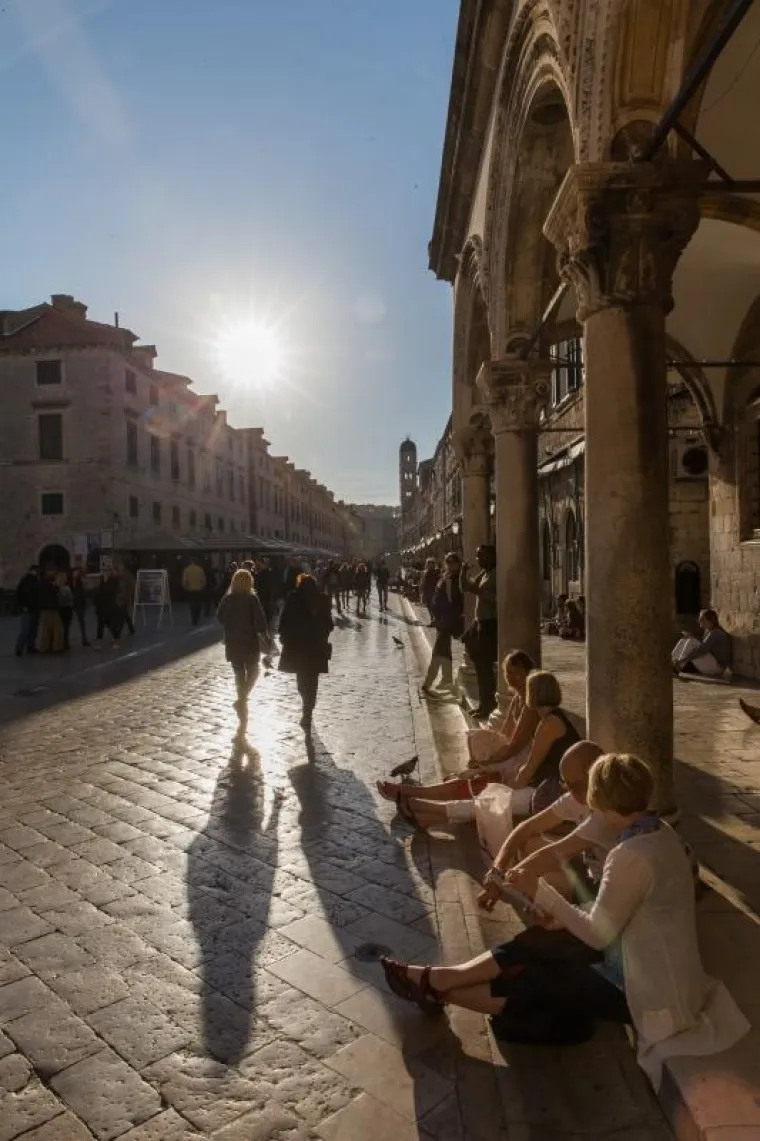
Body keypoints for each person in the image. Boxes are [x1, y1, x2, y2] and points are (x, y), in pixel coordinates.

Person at [380, 753, 749, 1083]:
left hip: (648, 994)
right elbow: (607, 904)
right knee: (547, 942)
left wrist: (543, 895)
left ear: (601, 799)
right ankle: (441, 981)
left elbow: (597, 936)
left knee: (545, 979)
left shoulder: (632, 855)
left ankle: (440, 989)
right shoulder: (656, 831)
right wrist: (544, 904)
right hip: (636, 959)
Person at [380, 668, 576, 827]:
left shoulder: (549, 724)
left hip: (550, 791)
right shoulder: (548, 719)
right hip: (544, 785)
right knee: (482, 789)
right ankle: (424, 815)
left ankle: (417, 804)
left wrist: (506, 786)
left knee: (488, 801)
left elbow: (530, 767)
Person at [279, 573, 334, 732]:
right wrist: (322, 634)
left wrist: (284, 635)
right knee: (313, 680)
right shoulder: (323, 599)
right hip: (316, 646)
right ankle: (308, 710)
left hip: (297, 647)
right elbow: (329, 624)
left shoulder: (293, 598)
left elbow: (284, 620)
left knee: (302, 680)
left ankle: (306, 708)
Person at [217, 568, 269, 723]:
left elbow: (219, 616)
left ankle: (241, 697)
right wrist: (264, 634)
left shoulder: (228, 599)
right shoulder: (252, 599)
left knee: (239, 672)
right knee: (254, 670)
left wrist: (230, 624)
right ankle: (243, 697)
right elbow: (260, 620)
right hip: (249, 642)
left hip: (233, 642)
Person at [460, 545, 498, 719]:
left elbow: (501, 598)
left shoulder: (497, 573)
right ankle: (485, 703)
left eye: (480, 556)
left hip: (491, 624)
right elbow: (466, 587)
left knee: (485, 667)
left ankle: (489, 704)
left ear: (490, 556)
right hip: (481, 623)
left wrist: (480, 592)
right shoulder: (484, 574)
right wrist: (463, 571)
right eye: (476, 556)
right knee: (480, 666)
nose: (478, 560)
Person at [421, 552, 463, 697]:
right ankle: (446, 679)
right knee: (444, 651)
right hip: (441, 620)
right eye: (448, 562)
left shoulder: (456, 579)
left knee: (438, 651)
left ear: (458, 563)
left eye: (453, 562)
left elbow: (455, 602)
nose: (450, 565)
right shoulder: (446, 576)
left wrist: (447, 618)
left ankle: (428, 683)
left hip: (447, 620)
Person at [672, 608, 732, 678]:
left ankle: (678, 666)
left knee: (691, 641)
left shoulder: (715, 633)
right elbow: (703, 645)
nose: (699, 621)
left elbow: (701, 650)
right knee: (684, 640)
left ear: (710, 621)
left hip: (718, 668)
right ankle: (670, 662)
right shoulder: (708, 631)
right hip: (712, 662)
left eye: (702, 620)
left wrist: (682, 660)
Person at [14, 565, 39, 656]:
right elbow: (19, 594)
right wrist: (22, 605)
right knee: (26, 629)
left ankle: (30, 646)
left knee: (32, 629)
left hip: (33, 608)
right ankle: (19, 648)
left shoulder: (35, 580)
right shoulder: (26, 580)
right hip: (28, 608)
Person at [38, 568, 64, 653]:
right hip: (52, 609)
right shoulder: (50, 584)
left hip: (44, 609)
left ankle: (44, 647)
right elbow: (53, 594)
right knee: (57, 629)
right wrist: (56, 586)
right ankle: (57, 647)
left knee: (46, 629)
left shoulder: (41, 583)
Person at [182, 558, 207, 627]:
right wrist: (202, 587)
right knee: (198, 604)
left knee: (192, 604)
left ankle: (194, 619)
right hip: (199, 590)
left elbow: (184, 581)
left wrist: (185, 587)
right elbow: (204, 581)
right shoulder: (200, 569)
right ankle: (197, 617)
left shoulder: (186, 570)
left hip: (190, 590)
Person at [71, 567, 90, 647]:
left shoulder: (78, 584)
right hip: (79, 606)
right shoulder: (79, 585)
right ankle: (84, 639)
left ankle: (84, 639)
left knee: (81, 622)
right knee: (81, 622)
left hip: (79, 605)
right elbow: (79, 596)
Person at [57, 571, 74, 652]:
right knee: (66, 627)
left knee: (62, 627)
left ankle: (62, 642)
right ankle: (65, 643)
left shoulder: (57, 588)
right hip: (67, 609)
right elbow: (70, 599)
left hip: (60, 609)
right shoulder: (67, 589)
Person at [420, 559, 440, 625]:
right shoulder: (425, 572)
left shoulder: (437, 572)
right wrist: (422, 592)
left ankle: (435, 621)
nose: (431, 566)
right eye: (429, 564)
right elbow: (422, 582)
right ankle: (432, 620)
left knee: (433, 607)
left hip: (434, 592)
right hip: (427, 592)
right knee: (429, 607)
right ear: (427, 565)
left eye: (432, 564)